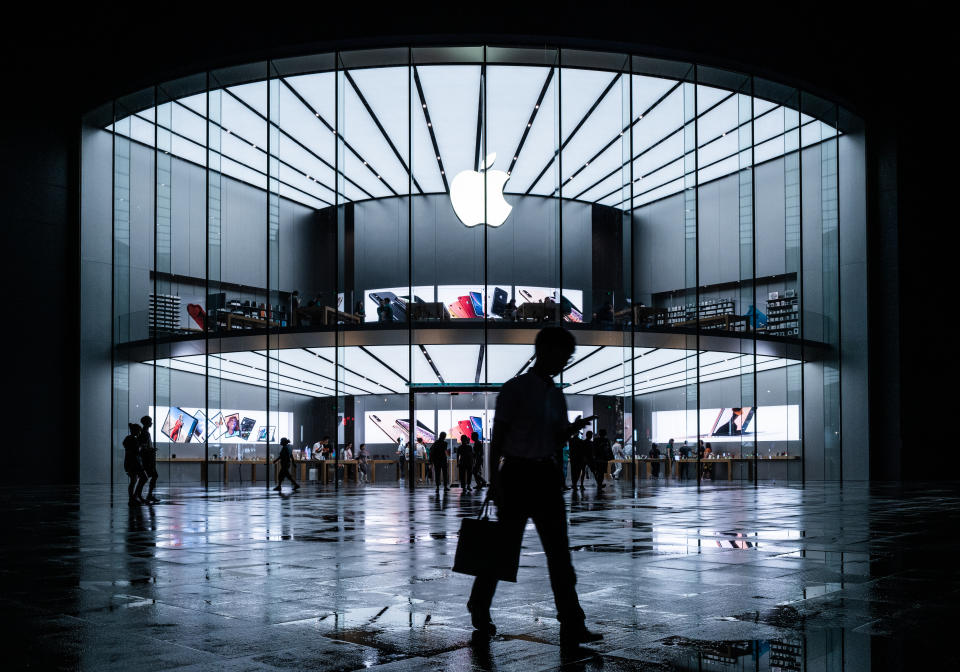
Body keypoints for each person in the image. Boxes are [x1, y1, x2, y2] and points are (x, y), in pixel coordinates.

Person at [468, 326, 601, 647]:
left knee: (558, 555)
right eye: (563, 355)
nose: (564, 362)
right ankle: (480, 605)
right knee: (505, 551)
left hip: (544, 477)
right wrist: (494, 482)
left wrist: (571, 430)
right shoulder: (515, 389)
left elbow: (554, 438)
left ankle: (572, 621)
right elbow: (497, 440)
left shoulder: (556, 394)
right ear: (545, 351)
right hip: (516, 476)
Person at [137, 415, 160, 503]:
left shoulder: (144, 432)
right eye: (150, 421)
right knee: (151, 476)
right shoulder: (145, 433)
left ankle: (141, 495)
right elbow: (143, 446)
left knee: (147, 477)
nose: (151, 423)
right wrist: (151, 450)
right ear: (146, 423)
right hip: (147, 459)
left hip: (146, 458)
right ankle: (146, 495)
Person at [123, 422, 146, 505]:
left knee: (133, 480)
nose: (139, 432)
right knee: (142, 478)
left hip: (129, 463)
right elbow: (136, 452)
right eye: (139, 431)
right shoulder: (134, 440)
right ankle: (134, 497)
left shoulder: (128, 439)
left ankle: (132, 498)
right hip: (134, 463)